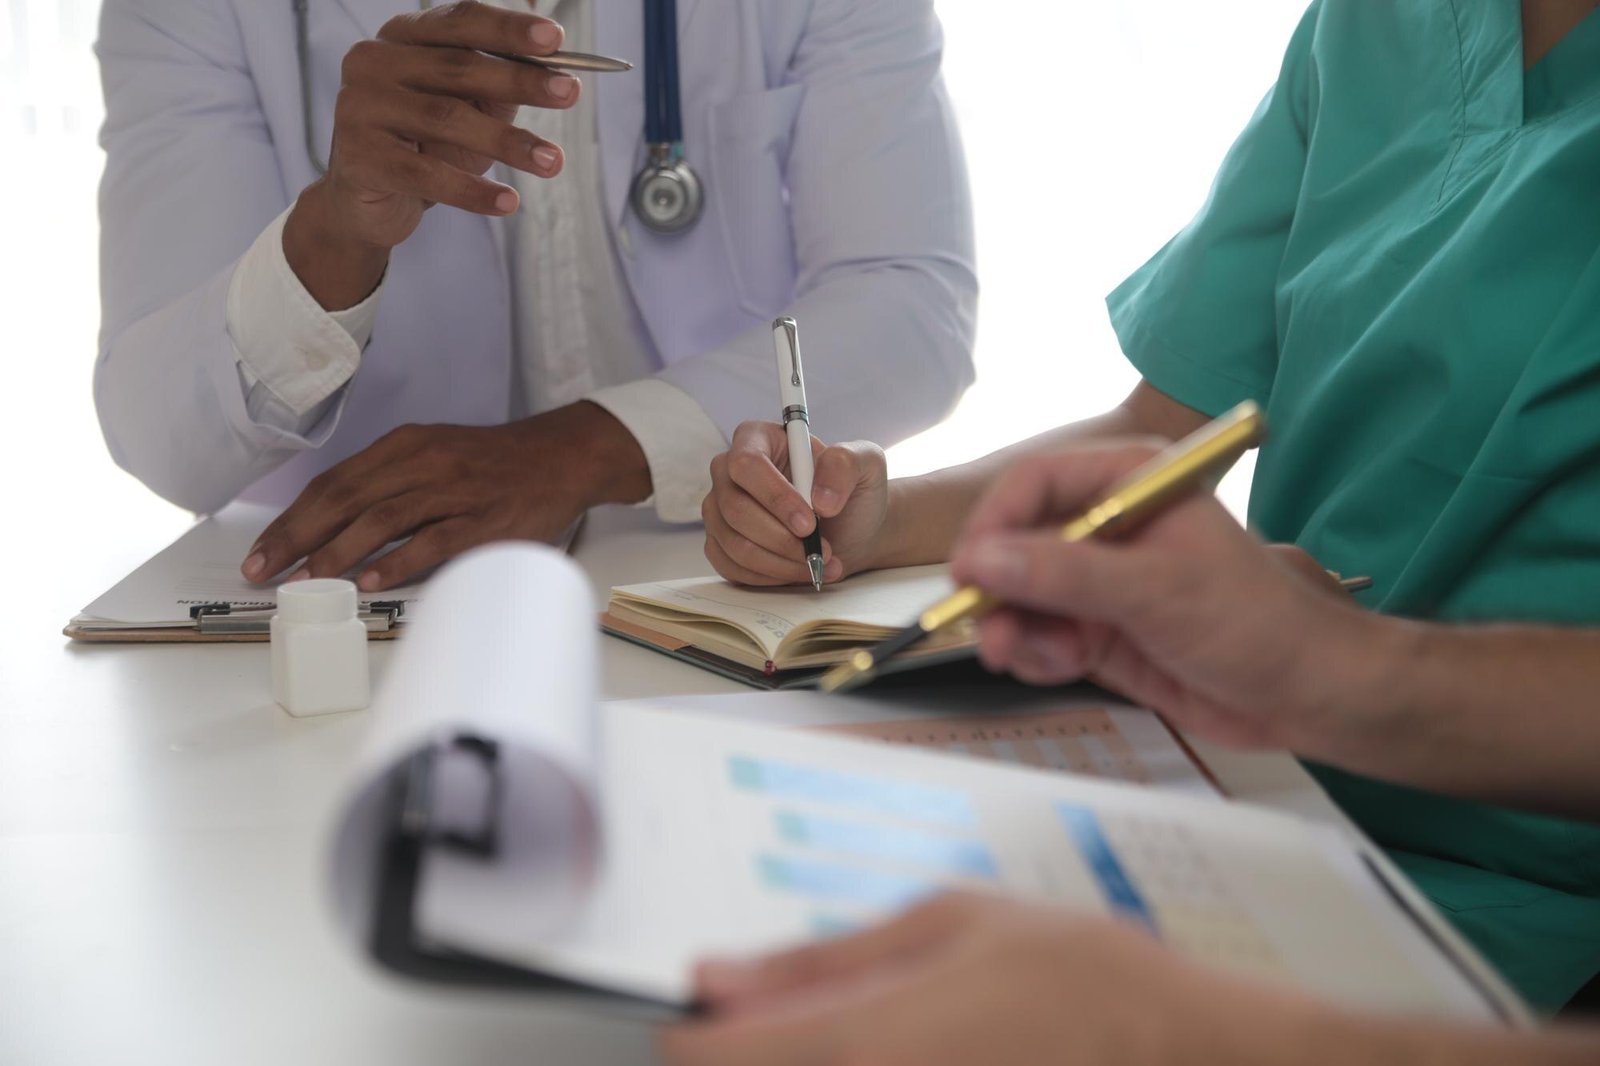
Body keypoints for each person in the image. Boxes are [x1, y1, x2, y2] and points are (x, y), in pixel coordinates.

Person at [699, 0, 1600, 1010]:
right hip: (1259, 791)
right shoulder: (1375, 24)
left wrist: (1335, 664)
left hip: (1521, 892)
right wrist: (876, 517)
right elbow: (1163, 427)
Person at [663, 441, 1600, 1065]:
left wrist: (1217, 1039)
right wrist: (1340, 667)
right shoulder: (1344, 129)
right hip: (1263, 790)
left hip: (1514, 924)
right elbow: (1153, 426)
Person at [93, 0, 975, 591]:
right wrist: (337, 225)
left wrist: (577, 452)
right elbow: (164, 437)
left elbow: (912, 307)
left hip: (715, 579)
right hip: (362, 597)